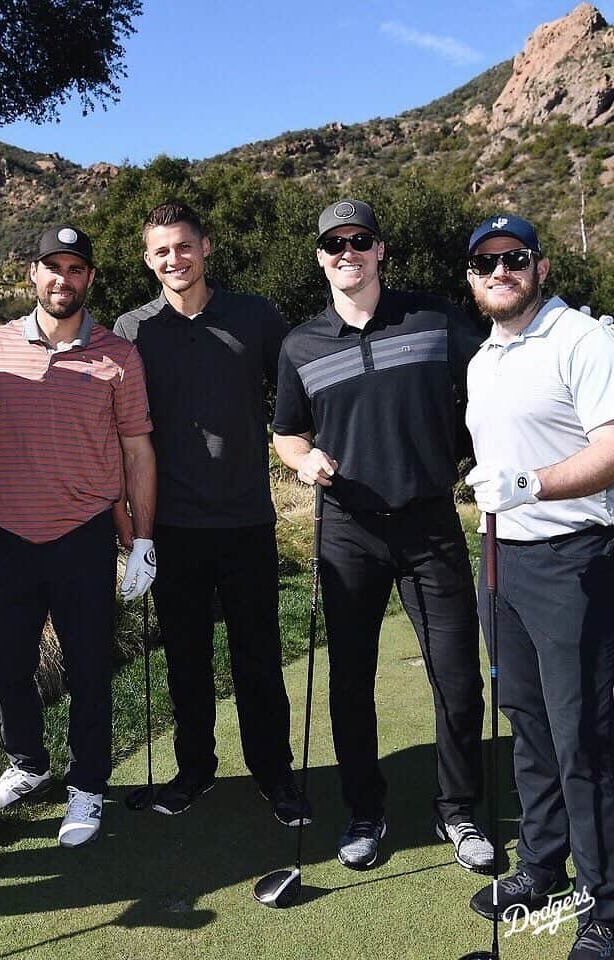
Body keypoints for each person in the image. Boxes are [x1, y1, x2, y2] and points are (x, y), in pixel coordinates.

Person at [272, 198, 493, 872]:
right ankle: (365, 812)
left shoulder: (434, 321)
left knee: (457, 682)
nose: (347, 253)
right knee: (349, 682)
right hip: (348, 533)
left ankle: (458, 811)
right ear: (320, 258)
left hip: (430, 525)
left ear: (380, 249)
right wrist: (303, 458)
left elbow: (495, 379)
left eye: (359, 240)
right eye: (333, 244)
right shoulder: (300, 345)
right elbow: (287, 430)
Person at [114, 201, 307, 827]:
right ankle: (195, 770)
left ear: (206, 247)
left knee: (258, 657)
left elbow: (304, 385)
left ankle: (274, 774)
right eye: (161, 251)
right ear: (148, 260)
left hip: (248, 520)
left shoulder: (254, 316)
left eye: (184, 247)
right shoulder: (132, 330)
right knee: (186, 660)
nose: (175, 259)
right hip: (171, 528)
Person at [0, 226, 156, 848]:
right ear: (33, 274)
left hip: (84, 537)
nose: (62, 280)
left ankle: (88, 784)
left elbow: (137, 450)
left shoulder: (118, 355)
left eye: (75, 269)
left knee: (88, 668)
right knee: (9, 665)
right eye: (52, 267)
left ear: (89, 279)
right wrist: (14, 456)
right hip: (11, 537)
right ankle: (28, 764)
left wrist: (142, 538)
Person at [463, 214, 614, 959]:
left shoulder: (585, 341)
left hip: (575, 558)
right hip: (504, 561)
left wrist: (529, 483)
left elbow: (612, 451)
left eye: (513, 258)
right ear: (471, 278)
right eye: (485, 262)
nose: (500, 270)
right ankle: (542, 867)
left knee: (583, 734)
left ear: (540, 267)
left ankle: (605, 906)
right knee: (526, 721)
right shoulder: (483, 358)